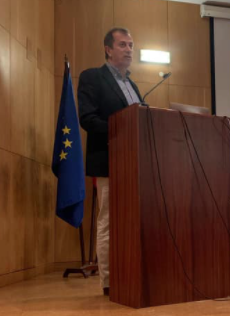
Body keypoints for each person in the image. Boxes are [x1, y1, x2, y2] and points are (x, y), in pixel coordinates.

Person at [78, 27, 143, 296]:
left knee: (132, 222)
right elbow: (88, 119)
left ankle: (130, 274)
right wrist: (122, 129)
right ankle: (108, 281)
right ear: (108, 49)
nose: (129, 49)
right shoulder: (92, 77)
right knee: (108, 222)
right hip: (108, 161)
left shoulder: (132, 85)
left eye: (131, 45)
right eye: (122, 45)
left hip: (135, 165)